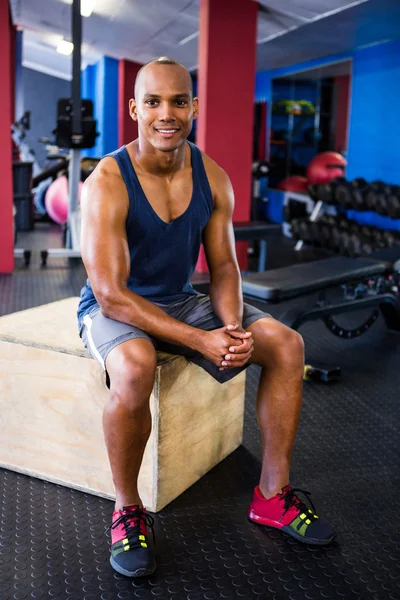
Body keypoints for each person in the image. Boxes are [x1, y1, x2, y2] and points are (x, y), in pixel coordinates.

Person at [77, 57, 335, 579]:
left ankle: (271, 495)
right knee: (134, 367)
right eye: (153, 102)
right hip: (116, 305)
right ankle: (127, 510)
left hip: (177, 298)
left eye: (178, 101)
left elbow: (223, 267)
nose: (166, 113)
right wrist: (199, 338)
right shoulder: (107, 179)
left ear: (194, 107)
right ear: (134, 110)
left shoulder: (212, 176)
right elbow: (112, 295)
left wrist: (232, 328)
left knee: (286, 346)